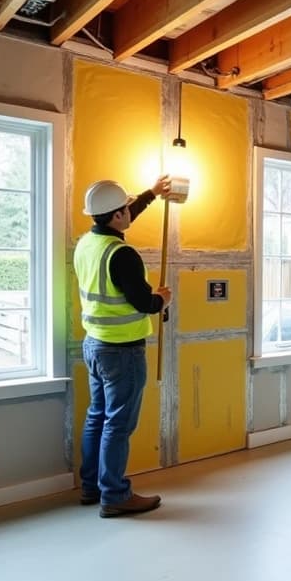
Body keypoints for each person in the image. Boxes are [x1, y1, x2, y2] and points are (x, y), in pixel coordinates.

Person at [75, 176, 174, 518]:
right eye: (126, 208)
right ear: (117, 216)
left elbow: (123, 211)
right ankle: (115, 495)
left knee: (98, 417)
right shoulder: (122, 255)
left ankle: (92, 486)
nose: (130, 211)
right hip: (123, 351)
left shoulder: (87, 243)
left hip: (95, 345)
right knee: (118, 424)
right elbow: (143, 303)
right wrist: (161, 299)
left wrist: (152, 194)